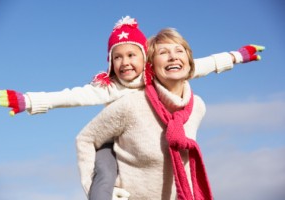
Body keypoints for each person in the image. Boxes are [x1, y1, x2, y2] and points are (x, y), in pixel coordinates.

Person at [0, 15, 264, 200]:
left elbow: (201, 65)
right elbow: (72, 96)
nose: (125, 63)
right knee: (105, 175)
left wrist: (238, 56)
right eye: (117, 58)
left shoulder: (158, 76)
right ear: (110, 63)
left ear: (144, 58)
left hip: (135, 139)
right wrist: (29, 101)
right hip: (109, 143)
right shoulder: (111, 87)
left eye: (131, 55)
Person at [75, 27, 264, 200]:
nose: (173, 57)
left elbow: (205, 65)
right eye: (163, 53)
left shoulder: (197, 106)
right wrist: (93, 186)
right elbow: (85, 138)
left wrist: (237, 56)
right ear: (151, 66)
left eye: (179, 51)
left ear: (189, 63)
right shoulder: (131, 105)